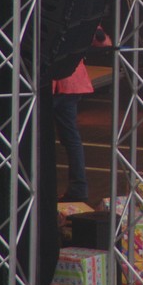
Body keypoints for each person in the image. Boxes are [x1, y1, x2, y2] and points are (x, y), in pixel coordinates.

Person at [52, 25, 112, 201]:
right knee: (71, 138)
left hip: (50, 82)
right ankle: (78, 188)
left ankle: (40, 186)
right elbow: (103, 42)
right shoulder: (80, 16)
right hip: (71, 82)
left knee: (40, 138)